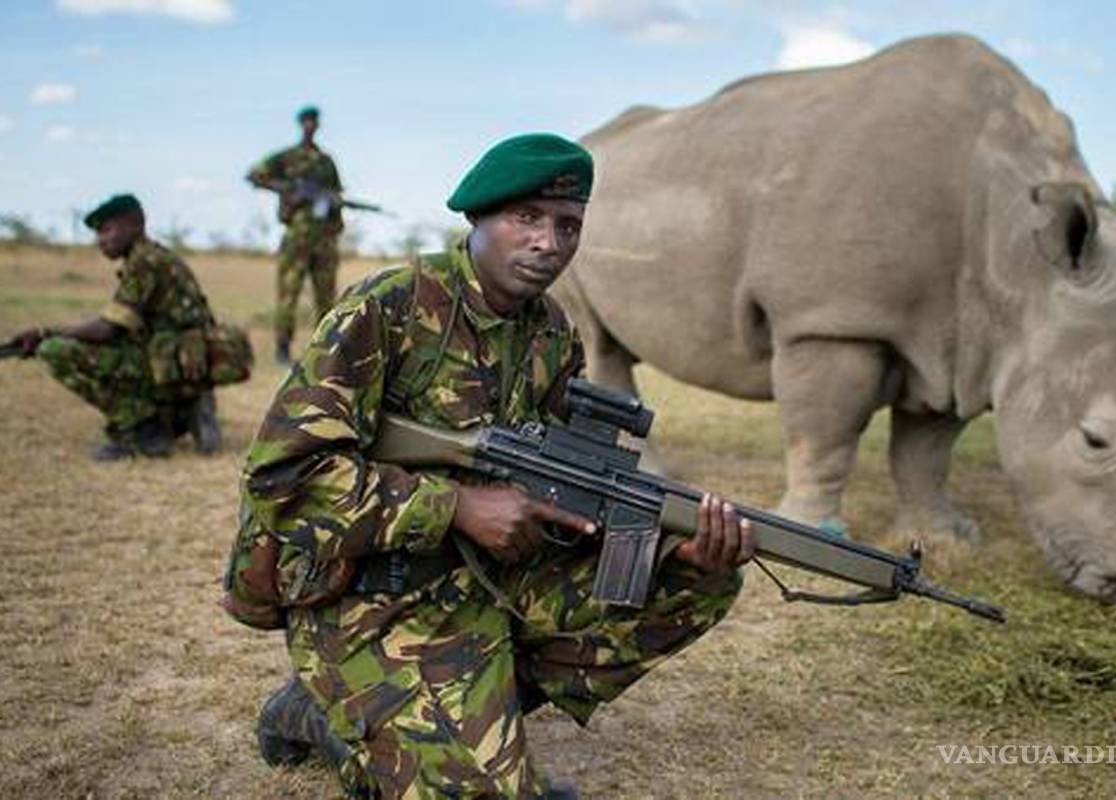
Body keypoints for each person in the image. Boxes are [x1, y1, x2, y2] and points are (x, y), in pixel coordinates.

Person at [235, 133, 754, 799]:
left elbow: (560, 478)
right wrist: (456, 507)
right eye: (527, 217)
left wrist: (670, 546)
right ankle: (326, 709)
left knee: (697, 579)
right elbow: (282, 477)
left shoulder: (551, 332)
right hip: (368, 592)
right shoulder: (389, 306)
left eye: (568, 226)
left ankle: (473, 702)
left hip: (483, 582)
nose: (549, 243)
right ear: (477, 216)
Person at [8, 193, 222, 460]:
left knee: (55, 350)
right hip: (180, 364)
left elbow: (108, 329)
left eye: (107, 229)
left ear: (135, 224)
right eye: (98, 232)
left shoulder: (144, 262)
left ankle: (144, 430)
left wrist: (45, 334)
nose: (101, 239)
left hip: (172, 365)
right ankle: (178, 411)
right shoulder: (156, 256)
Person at [247, 104, 344, 364]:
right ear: (301, 124)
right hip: (297, 238)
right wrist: (287, 189)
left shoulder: (326, 162)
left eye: (315, 121)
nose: (311, 125)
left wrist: (334, 204)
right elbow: (254, 175)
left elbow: (337, 193)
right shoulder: (287, 157)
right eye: (307, 121)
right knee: (288, 293)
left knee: (326, 297)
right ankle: (282, 348)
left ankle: (324, 352)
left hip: (324, 239)